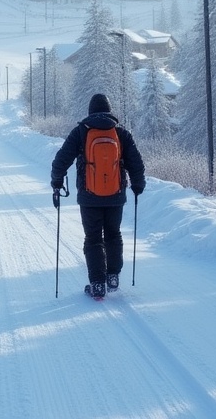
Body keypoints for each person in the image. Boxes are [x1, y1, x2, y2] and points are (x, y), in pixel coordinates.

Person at [50, 93, 146, 299]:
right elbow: (136, 163)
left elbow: (61, 159)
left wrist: (57, 182)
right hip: (115, 196)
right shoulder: (120, 134)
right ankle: (112, 276)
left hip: (89, 197)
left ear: (90, 111)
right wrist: (138, 184)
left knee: (93, 239)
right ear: (109, 111)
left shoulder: (81, 133)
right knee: (114, 235)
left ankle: (97, 284)